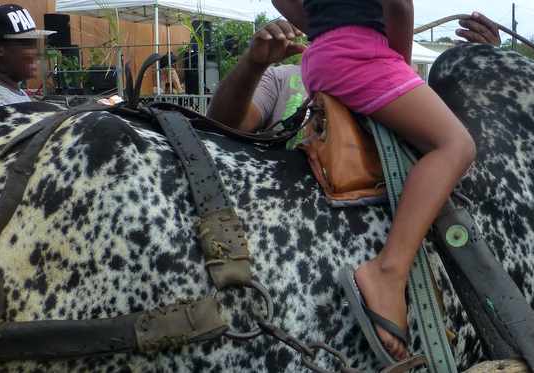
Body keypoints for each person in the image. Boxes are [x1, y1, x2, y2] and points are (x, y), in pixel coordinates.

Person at [269, 0, 481, 363]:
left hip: (322, 57)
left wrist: (326, 28)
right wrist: (395, 60)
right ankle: (389, 271)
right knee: (456, 145)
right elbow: (398, 5)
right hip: (362, 56)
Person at [207, 12, 502, 133]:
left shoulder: (413, 90)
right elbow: (222, 126)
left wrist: (485, 66)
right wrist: (253, 64)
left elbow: (476, 133)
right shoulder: (280, 78)